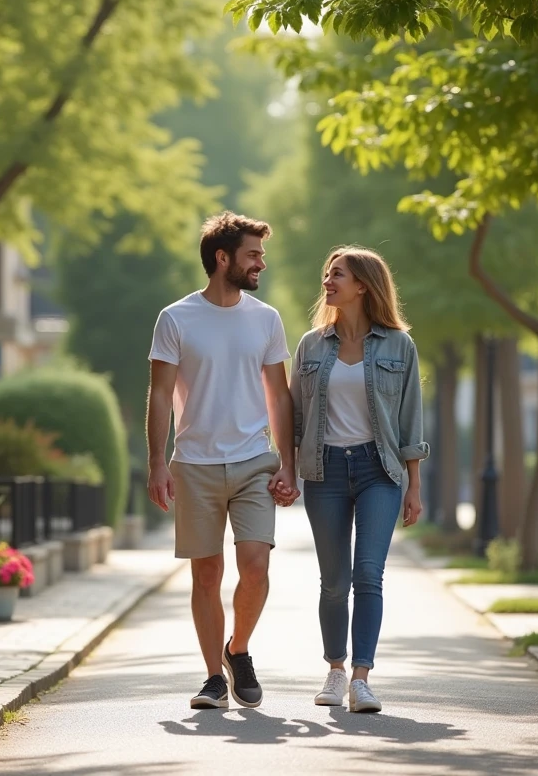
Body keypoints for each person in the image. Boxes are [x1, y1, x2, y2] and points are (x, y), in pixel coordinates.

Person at [147, 211, 300, 711]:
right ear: (222, 258)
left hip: (255, 459)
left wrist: (287, 464)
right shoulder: (176, 318)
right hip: (194, 463)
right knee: (207, 575)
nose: (261, 263)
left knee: (255, 566)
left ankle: (239, 650)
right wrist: (156, 463)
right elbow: (159, 395)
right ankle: (214, 676)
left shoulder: (266, 319)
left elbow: (278, 397)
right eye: (253, 254)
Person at [289, 246, 429, 713]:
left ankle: (362, 678)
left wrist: (415, 485)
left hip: (379, 470)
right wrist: (287, 471)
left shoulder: (398, 346)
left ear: (363, 285)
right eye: (327, 273)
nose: (328, 281)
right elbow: (294, 417)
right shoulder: (311, 345)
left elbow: (411, 422)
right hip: (325, 471)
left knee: (369, 573)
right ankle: (334, 670)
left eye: (338, 275)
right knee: (334, 580)